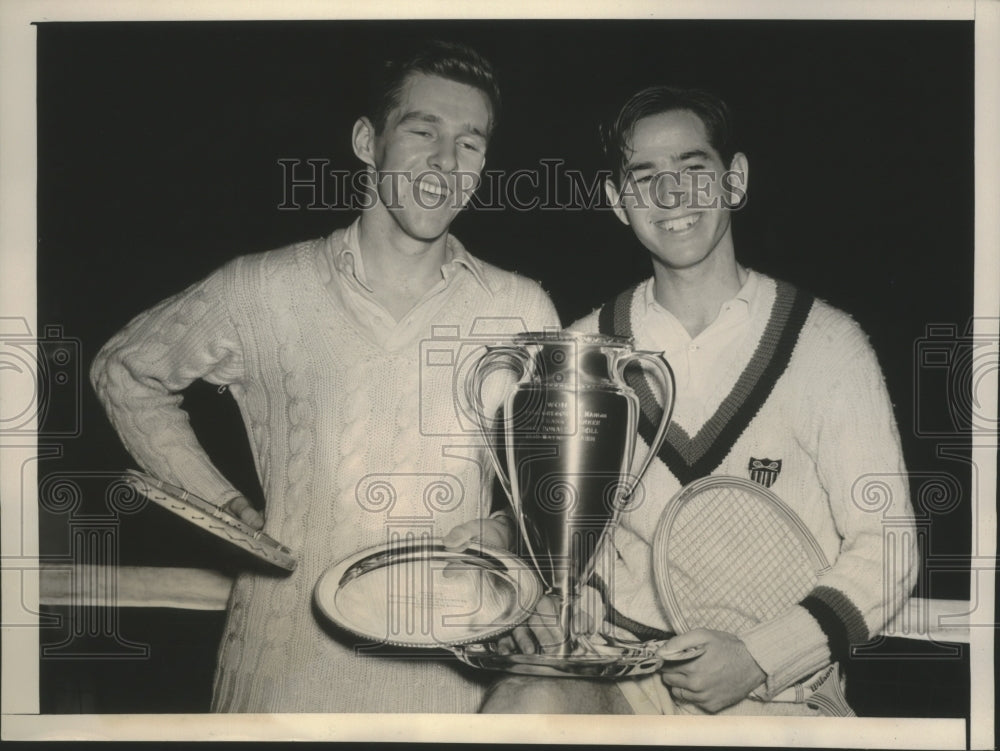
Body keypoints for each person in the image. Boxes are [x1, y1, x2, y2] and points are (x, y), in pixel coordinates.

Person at [90, 40, 560, 713]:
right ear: (368, 141)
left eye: (470, 143)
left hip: (448, 692)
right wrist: (223, 508)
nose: (445, 160)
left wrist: (506, 535)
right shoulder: (261, 289)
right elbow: (124, 371)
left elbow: (550, 494)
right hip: (279, 685)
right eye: (422, 131)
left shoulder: (521, 309)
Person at [476, 85, 918, 715]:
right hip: (627, 671)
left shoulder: (827, 345)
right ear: (618, 201)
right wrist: (518, 569)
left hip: (778, 688)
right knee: (523, 707)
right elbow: (555, 529)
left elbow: (889, 547)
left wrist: (762, 656)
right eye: (644, 176)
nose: (670, 195)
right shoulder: (583, 349)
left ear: (734, 180)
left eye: (693, 169)